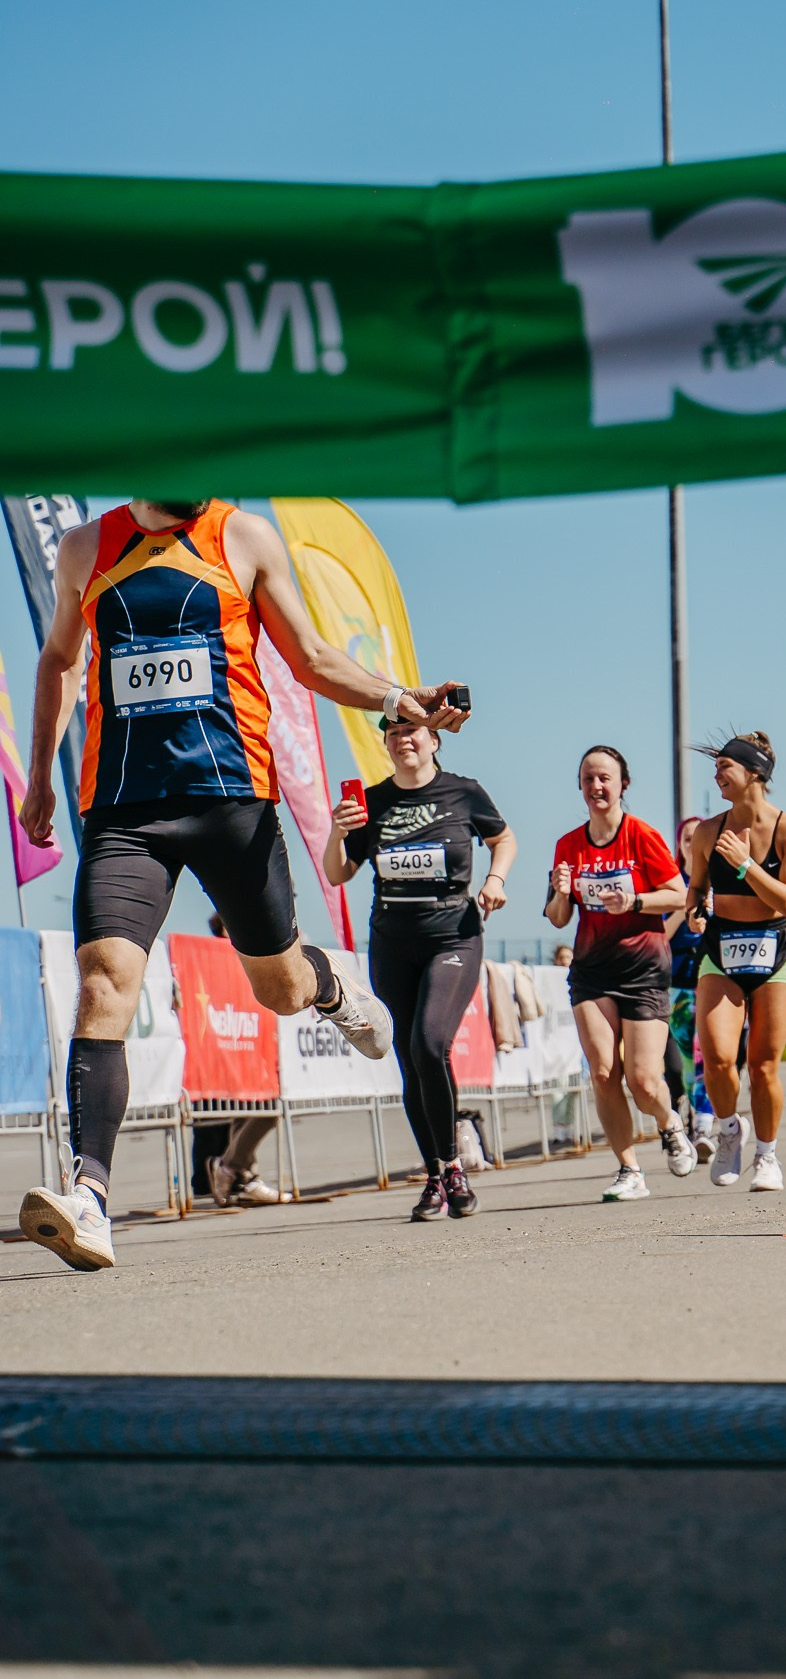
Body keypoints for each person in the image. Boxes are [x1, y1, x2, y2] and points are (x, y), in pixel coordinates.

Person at [15, 497, 439, 1272]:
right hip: (122, 809)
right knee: (104, 979)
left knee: (277, 988)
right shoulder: (86, 547)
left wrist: (394, 698)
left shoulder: (241, 536)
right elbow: (59, 659)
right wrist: (40, 775)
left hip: (231, 801)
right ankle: (92, 1199)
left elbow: (309, 654)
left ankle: (327, 984)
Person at [323, 717, 517, 1222]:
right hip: (393, 942)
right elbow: (340, 872)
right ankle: (437, 1172)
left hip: (453, 933)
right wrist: (336, 832)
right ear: (386, 745)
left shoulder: (464, 792)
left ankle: (452, 1165)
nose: (404, 740)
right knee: (409, 1059)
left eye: (414, 732)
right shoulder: (373, 801)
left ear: (434, 741)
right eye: (393, 734)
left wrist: (495, 879)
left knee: (431, 1043)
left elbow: (504, 839)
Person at [546, 746, 694, 1202]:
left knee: (644, 1081)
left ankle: (669, 1123)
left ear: (622, 784)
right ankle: (629, 1169)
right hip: (591, 970)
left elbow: (679, 896)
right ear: (580, 786)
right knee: (603, 1072)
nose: (597, 786)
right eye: (588, 778)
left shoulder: (642, 836)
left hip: (643, 969)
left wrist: (633, 902)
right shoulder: (568, 846)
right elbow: (556, 918)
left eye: (605, 778)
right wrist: (562, 892)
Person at [680, 733, 786, 1189]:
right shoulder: (708, 832)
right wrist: (696, 909)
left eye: (725, 767)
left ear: (754, 772)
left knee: (762, 1065)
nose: (716, 775)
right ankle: (731, 1130)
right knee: (716, 1059)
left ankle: (768, 1156)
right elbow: (697, 887)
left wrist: (746, 865)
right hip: (721, 947)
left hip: (776, 949)